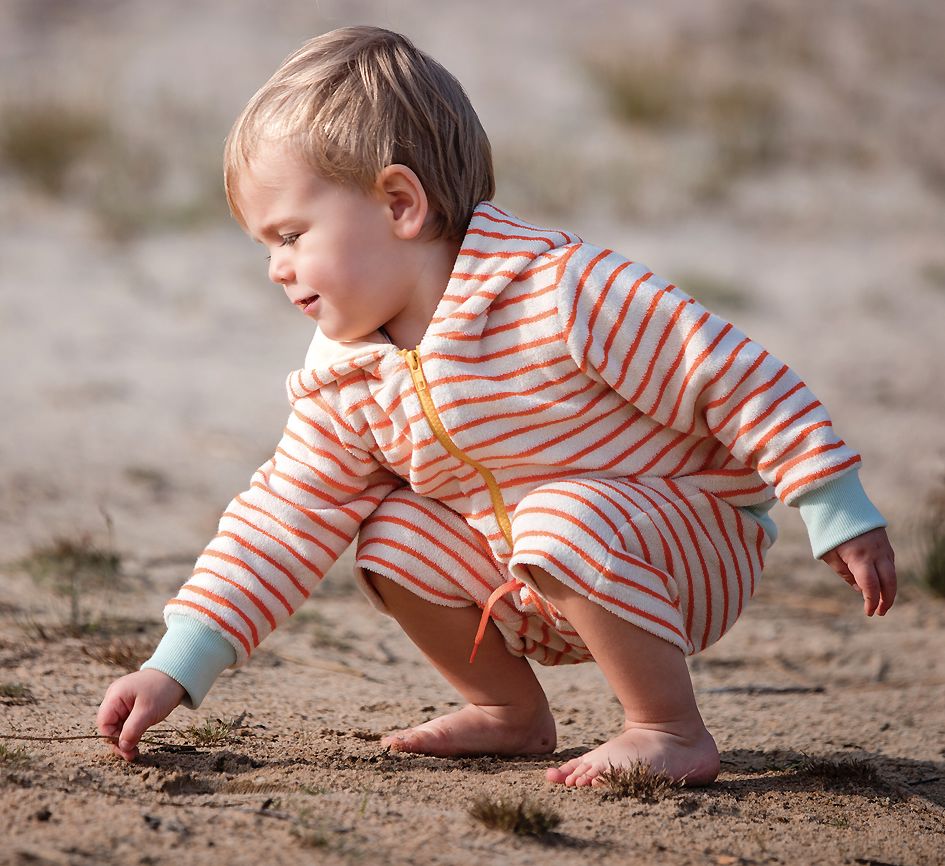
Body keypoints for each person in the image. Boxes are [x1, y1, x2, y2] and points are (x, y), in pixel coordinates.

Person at [97, 26, 897, 787]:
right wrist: (178, 663)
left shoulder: (559, 290)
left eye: (290, 235)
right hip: (534, 571)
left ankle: (668, 728)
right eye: (265, 245)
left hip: (688, 542)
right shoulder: (347, 379)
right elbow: (283, 518)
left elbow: (727, 373)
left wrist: (831, 504)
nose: (276, 267)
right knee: (388, 533)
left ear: (399, 204)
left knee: (558, 517)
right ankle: (508, 711)